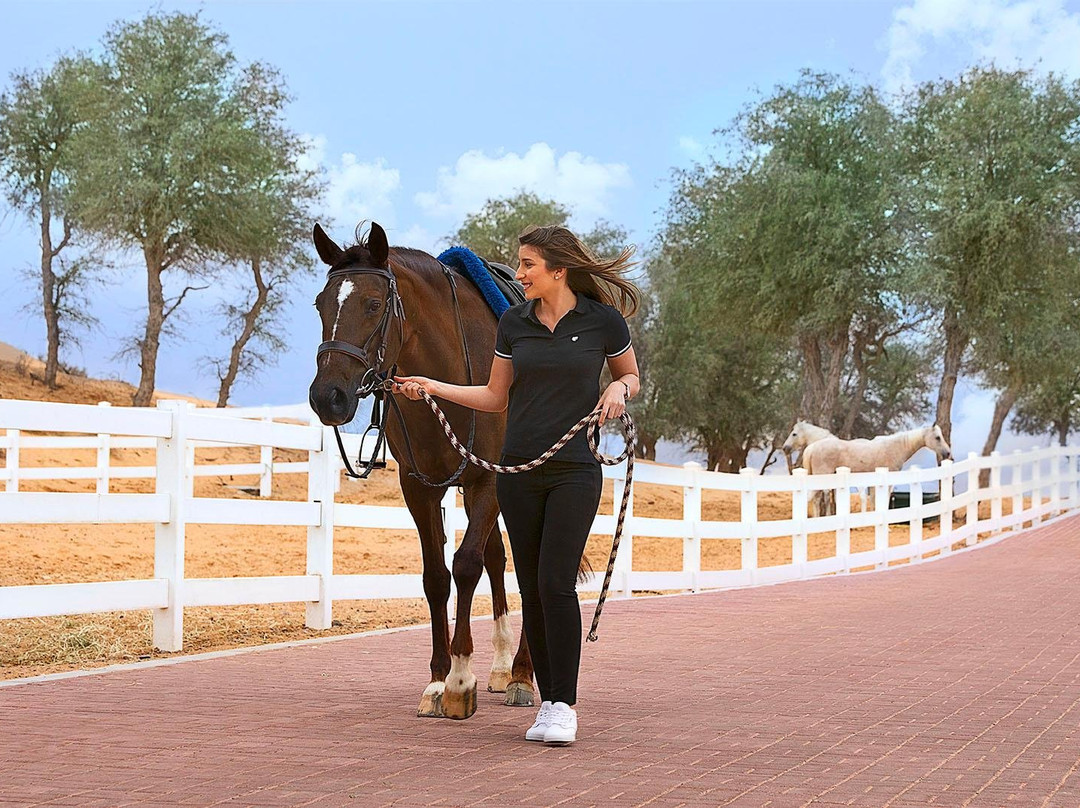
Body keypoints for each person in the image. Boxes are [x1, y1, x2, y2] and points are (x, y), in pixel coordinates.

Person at [392, 224, 640, 745]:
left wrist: (618, 386)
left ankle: (564, 705)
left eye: (528, 265)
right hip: (518, 472)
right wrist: (431, 386)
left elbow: (631, 375)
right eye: (520, 264)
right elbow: (494, 397)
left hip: (574, 468)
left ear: (558, 269)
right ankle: (547, 703)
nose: (519, 273)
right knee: (531, 588)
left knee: (554, 583)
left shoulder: (602, 321)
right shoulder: (514, 323)